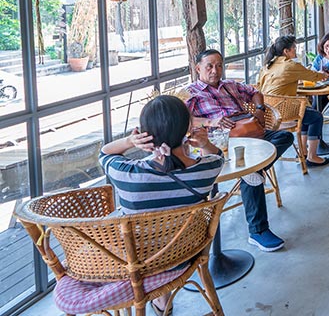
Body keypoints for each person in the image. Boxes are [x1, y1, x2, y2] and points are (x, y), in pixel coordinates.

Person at [100, 95, 223, 315]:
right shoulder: (205, 172)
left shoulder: (126, 174)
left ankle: (161, 301)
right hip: (185, 254)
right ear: (188, 128)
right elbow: (218, 157)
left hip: (139, 263)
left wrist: (129, 142)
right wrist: (205, 144)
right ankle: (162, 297)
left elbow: (104, 152)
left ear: (145, 134)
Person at [184, 49, 293, 252]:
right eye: (209, 66)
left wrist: (259, 109)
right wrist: (211, 121)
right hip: (223, 142)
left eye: (219, 65)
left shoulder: (231, 85)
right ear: (198, 68)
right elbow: (184, 120)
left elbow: (255, 93)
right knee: (251, 169)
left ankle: (252, 168)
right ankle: (258, 231)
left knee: (285, 136)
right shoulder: (191, 92)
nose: (215, 70)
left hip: (250, 131)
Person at [257, 35, 329, 167]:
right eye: (294, 48)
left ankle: (303, 151)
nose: (296, 51)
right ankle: (312, 156)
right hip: (283, 112)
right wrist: (324, 75)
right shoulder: (290, 65)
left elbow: (259, 86)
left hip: (268, 113)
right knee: (317, 117)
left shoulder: (267, 66)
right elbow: (312, 75)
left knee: (305, 113)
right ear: (286, 51)